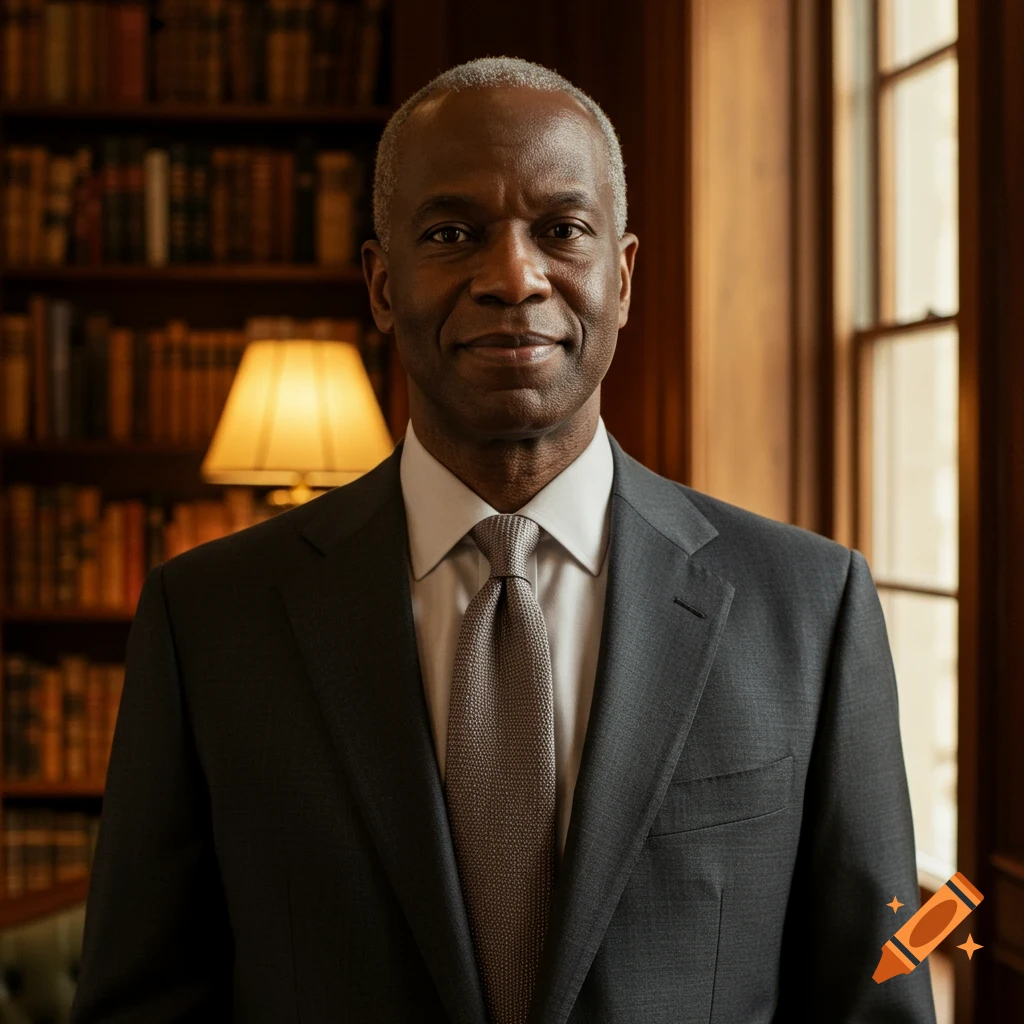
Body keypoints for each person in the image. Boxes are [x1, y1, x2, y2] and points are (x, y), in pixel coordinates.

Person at [69, 56, 937, 1024]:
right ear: (382, 283)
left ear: (623, 276)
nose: (512, 276)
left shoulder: (807, 603)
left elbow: (876, 991)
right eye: (451, 234)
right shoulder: (210, 618)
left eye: (561, 230)